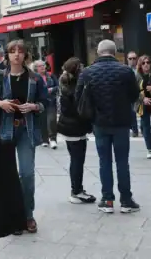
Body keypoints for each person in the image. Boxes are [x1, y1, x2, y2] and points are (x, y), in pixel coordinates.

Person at [0, 39, 47, 234]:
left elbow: (46, 101)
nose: (16, 54)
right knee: (9, 176)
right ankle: (14, 217)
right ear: (8, 55)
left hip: (27, 131)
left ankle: (28, 215)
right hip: (5, 131)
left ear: (25, 54)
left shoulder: (35, 78)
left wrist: (35, 106)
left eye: (20, 51)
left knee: (27, 174)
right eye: (13, 51)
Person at [76, 39, 140, 214]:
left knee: (104, 161)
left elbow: (78, 97)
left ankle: (107, 200)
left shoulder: (87, 72)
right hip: (121, 122)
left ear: (98, 52)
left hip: (99, 123)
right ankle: (126, 200)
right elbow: (135, 95)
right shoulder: (126, 71)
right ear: (114, 52)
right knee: (122, 162)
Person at [56, 57, 96, 204]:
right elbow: (76, 110)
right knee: (77, 160)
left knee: (77, 160)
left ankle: (77, 189)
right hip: (74, 128)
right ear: (77, 69)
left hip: (70, 127)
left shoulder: (68, 85)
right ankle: (76, 191)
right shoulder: (74, 88)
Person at [34, 60, 59, 149]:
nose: (42, 67)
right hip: (40, 102)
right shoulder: (34, 77)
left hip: (51, 101)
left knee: (51, 120)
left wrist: (51, 89)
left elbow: (58, 86)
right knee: (43, 121)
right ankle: (45, 140)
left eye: (43, 65)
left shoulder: (51, 76)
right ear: (36, 68)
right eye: (40, 66)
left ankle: (53, 139)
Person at [126, 51, 139, 136]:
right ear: (127, 59)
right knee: (132, 112)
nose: (132, 60)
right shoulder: (124, 70)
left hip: (140, 94)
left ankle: (143, 128)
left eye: (134, 58)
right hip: (130, 95)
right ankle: (135, 130)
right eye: (130, 59)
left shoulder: (140, 69)